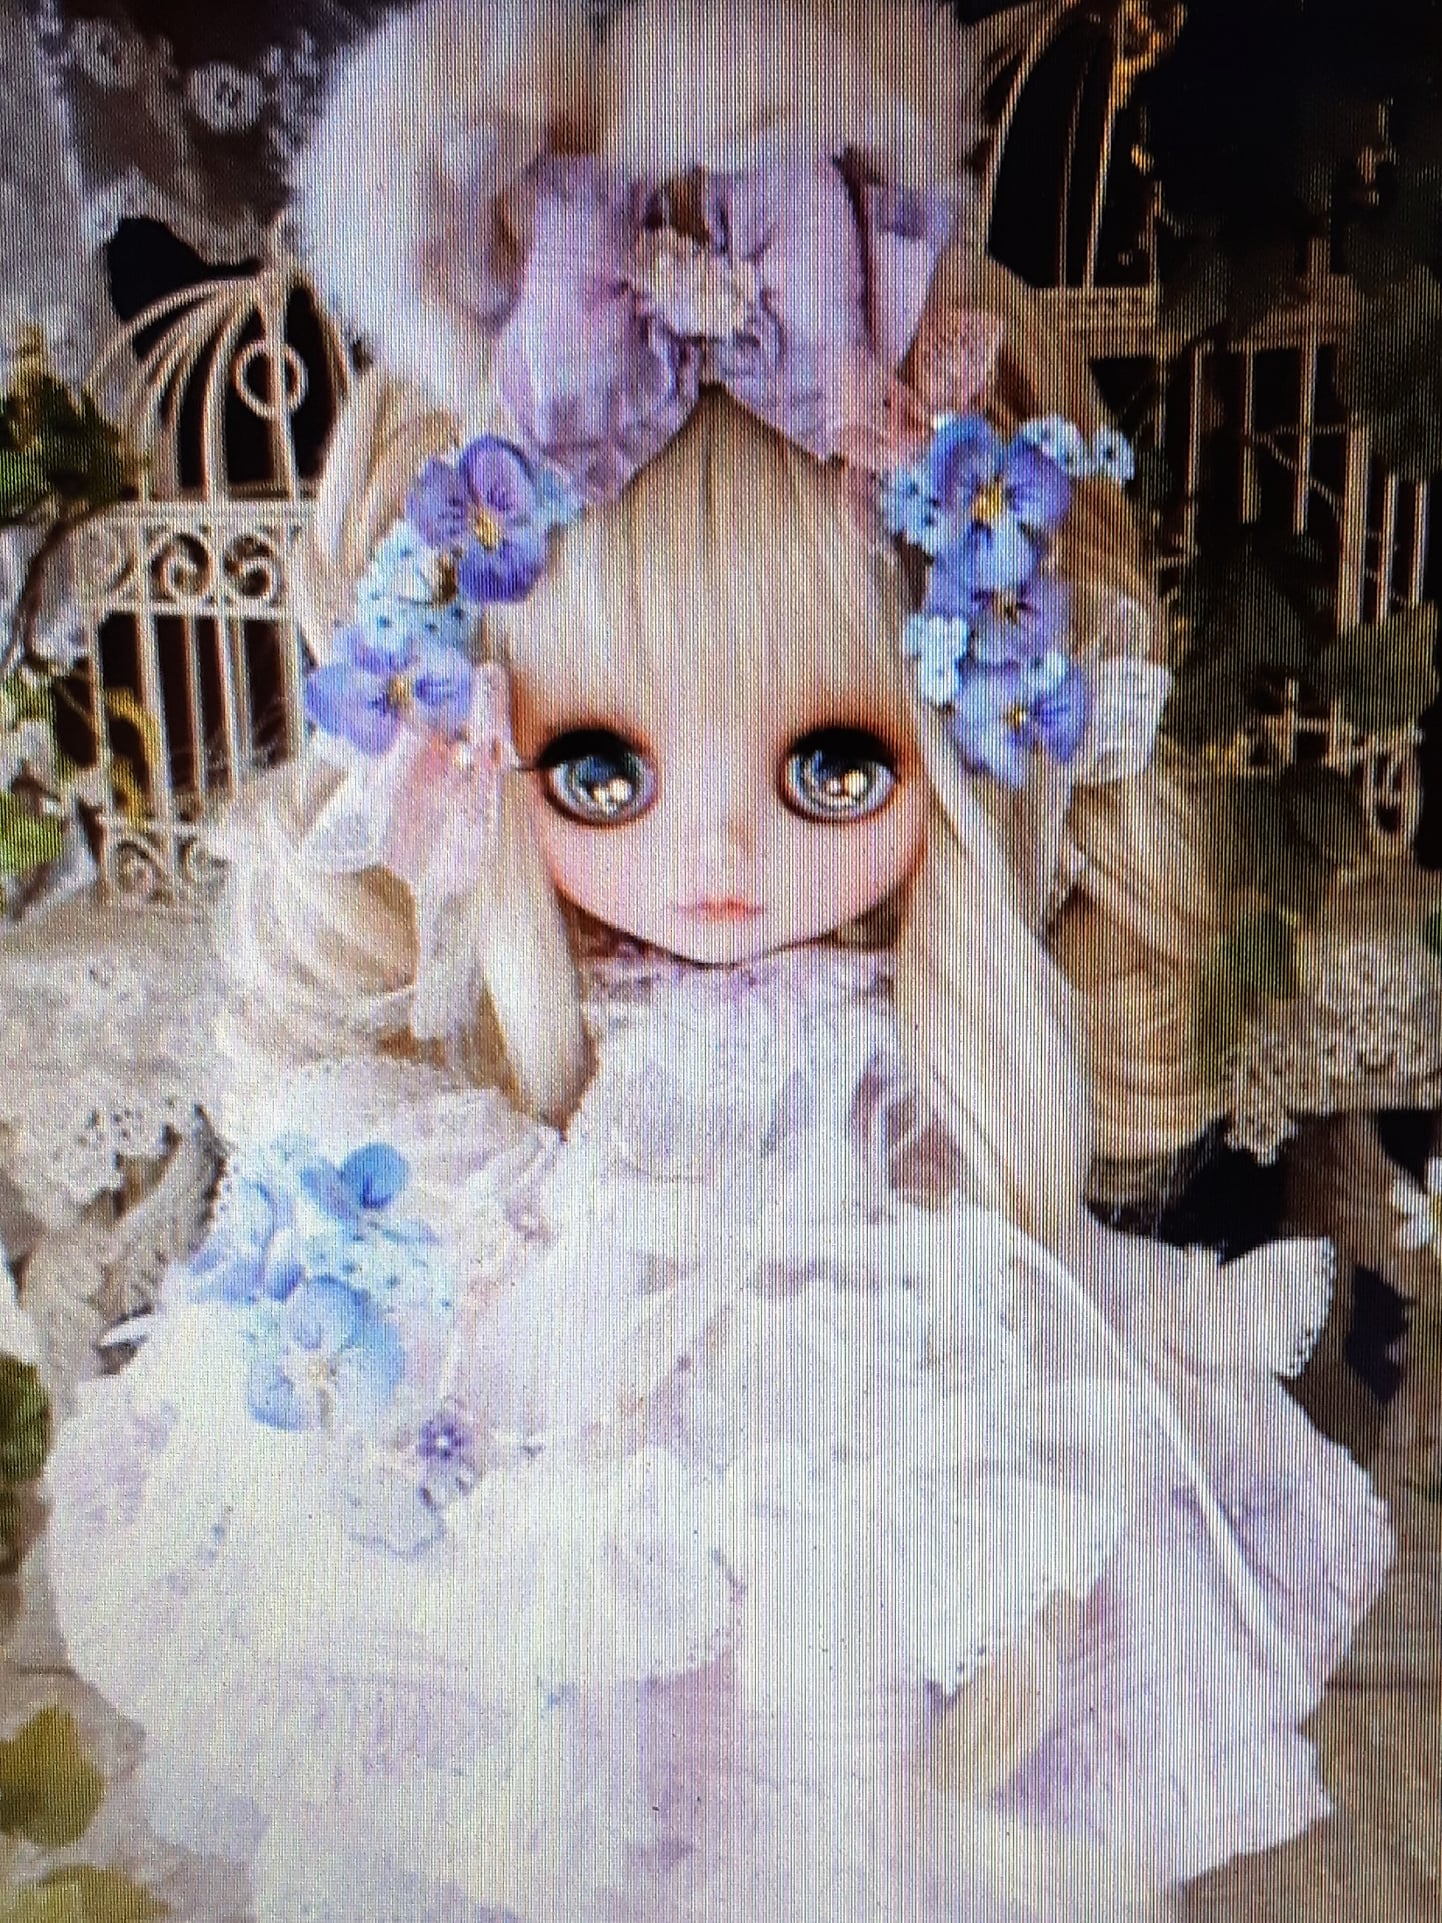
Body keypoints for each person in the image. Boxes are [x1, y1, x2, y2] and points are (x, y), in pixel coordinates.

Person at [44, 4, 1391, 1918]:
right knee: (556, 1720)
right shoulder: (525, 1009)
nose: (721, 859)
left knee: (860, 1741)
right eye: (600, 770)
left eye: (836, 765)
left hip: (869, 1384)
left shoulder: (917, 1017)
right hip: (584, 1370)